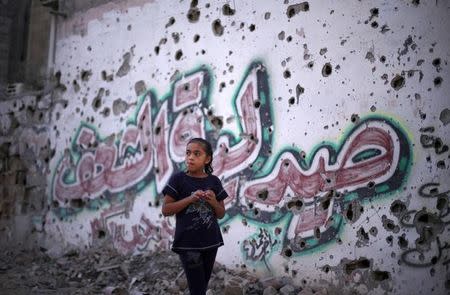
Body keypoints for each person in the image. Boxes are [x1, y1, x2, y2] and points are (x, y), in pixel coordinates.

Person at [161, 137, 228, 295]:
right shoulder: (178, 180)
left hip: (211, 242)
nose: (190, 157)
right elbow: (166, 210)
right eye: (188, 153)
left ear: (208, 159)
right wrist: (190, 199)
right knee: (197, 289)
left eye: (197, 154)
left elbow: (221, 214)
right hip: (188, 245)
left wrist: (213, 201)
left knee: (201, 287)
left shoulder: (214, 181)